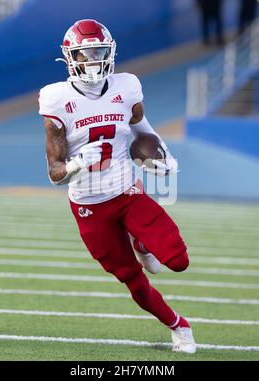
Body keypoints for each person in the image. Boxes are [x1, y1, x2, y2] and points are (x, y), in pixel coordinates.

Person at [38, 19, 196, 354]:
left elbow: (142, 128)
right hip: (88, 206)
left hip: (127, 191)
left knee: (178, 260)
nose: (92, 60)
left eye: (98, 52)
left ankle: (140, 239)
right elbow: (54, 172)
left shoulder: (126, 87)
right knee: (132, 279)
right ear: (70, 57)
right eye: (85, 53)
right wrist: (77, 163)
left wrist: (163, 153)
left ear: (109, 53)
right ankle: (179, 326)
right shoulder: (55, 99)